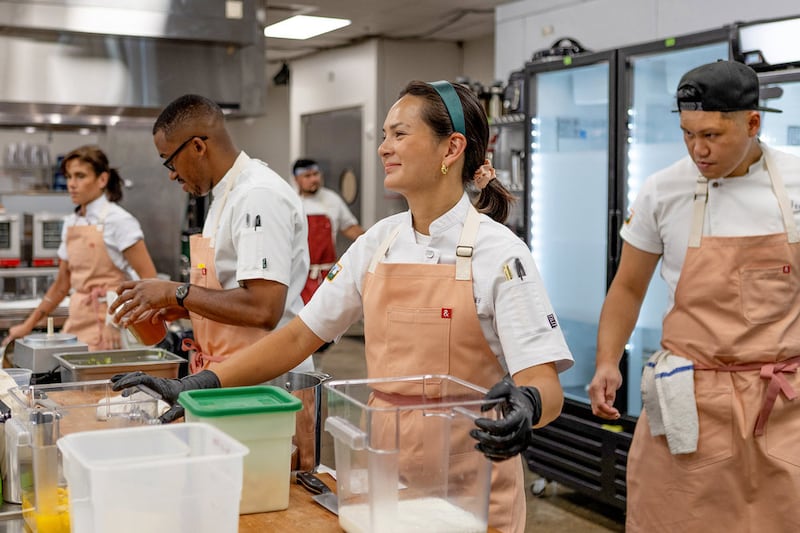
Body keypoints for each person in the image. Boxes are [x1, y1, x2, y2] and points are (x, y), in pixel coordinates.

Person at [112, 80, 573, 532]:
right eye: (384, 134)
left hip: (470, 489)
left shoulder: (500, 254)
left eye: (399, 134)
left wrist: (527, 404)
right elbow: (296, 337)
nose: (383, 147)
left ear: (451, 149)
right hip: (385, 477)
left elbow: (544, 385)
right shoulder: (379, 242)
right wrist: (196, 385)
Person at [588, 60, 800, 532]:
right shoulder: (664, 190)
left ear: (753, 123)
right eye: (688, 133)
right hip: (690, 400)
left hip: (783, 403)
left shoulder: (796, 182)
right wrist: (607, 361)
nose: (698, 150)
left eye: (712, 135)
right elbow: (627, 285)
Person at [109, 94, 312, 374]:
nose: (171, 175)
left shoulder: (257, 196)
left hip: (267, 381)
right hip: (231, 371)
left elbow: (263, 309)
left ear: (197, 146)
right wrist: (185, 308)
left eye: (169, 161)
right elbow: (230, 290)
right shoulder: (225, 196)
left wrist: (176, 293)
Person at [1, 145, 157, 351]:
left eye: (80, 176)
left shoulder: (119, 221)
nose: (71, 184)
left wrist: (116, 323)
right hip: (78, 323)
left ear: (102, 179)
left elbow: (150, 282)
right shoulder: (71, 222)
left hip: (112, 330)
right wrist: (27, 326)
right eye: (68, 177)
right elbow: (61, 286)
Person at [292, 158, 365, 304]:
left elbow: (350, 228)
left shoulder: (331, 199)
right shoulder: (291, 201)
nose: (314, 179)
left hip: (328, 275)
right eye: (307, 176)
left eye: (316, 174)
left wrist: (376, 240)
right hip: (299, 276)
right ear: (296, 179)